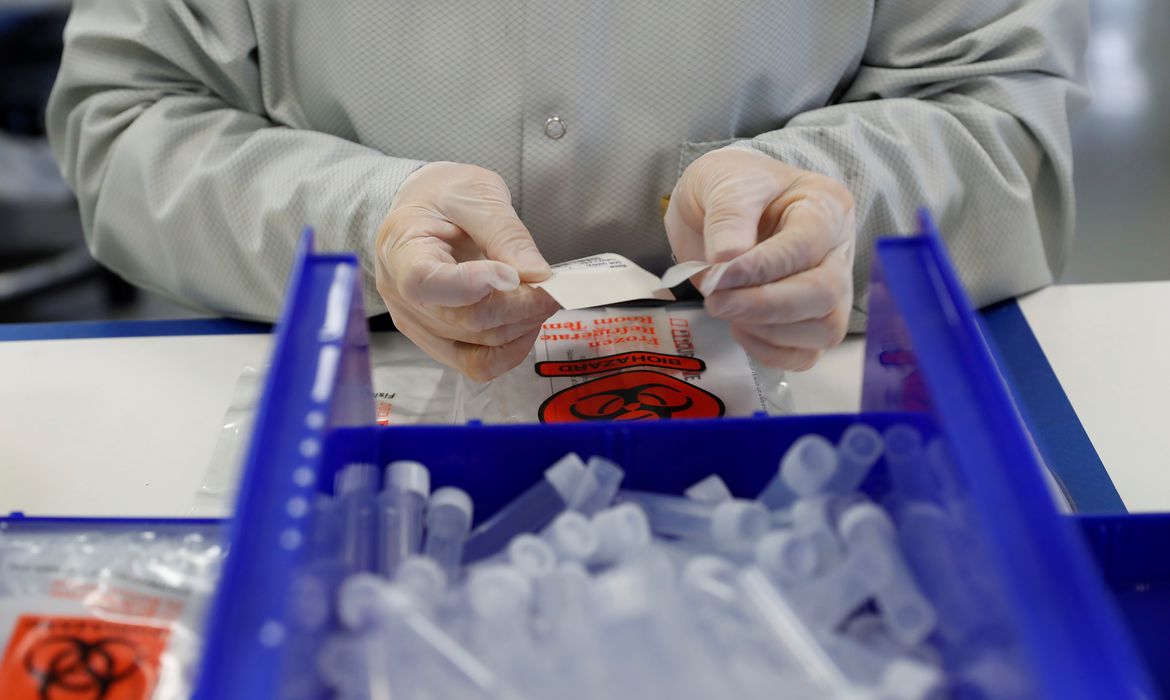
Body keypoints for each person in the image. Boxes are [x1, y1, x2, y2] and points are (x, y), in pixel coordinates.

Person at [47, 0, 1087, 380]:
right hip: (364, 397)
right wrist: (365, 221)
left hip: (801, 373)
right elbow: (128, 115)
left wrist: (828, 194)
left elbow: (1000, 107)